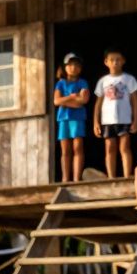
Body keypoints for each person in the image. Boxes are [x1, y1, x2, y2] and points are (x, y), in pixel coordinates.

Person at [92, 47, 137, 179]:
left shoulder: (129, 79)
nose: (115, 62)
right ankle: (111, 177)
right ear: (106, 62)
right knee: (109, 148)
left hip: (124, 119)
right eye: (112, 60)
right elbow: (98, 103)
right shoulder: (103, 81)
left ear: (123, 61)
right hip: (107, 120)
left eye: (118, 59)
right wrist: (96, 122)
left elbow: (135, 101)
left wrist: (135, 120)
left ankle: (126, 176)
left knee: (124, 147)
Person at [53, 53, 90, 183]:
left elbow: (84, 100)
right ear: (65, 67)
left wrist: (66, 100)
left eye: (77, 65)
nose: (74, 67)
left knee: (78, 147)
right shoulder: (60, 83)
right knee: (65, 150)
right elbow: (56, 101)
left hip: (78, 118)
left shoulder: (83, 82)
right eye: (70, 64)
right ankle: (65, 178)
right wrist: (73, 97)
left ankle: (76, 178)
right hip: (63, 118)